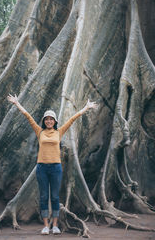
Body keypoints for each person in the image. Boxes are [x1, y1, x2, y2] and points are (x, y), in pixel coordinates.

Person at [7, 94, 98, 235]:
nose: (49, 121)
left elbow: (72, 119)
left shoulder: (59, 132)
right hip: (42, 168)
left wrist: (86, 108)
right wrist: (17, 103)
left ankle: (55, 225)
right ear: (44, 121)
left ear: (55, 121)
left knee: (55, 197)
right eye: (47, 119)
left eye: (51, 119)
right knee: (44, 196)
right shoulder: (40, 131)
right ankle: (45, 226)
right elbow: (27, 116)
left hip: (56, 168)